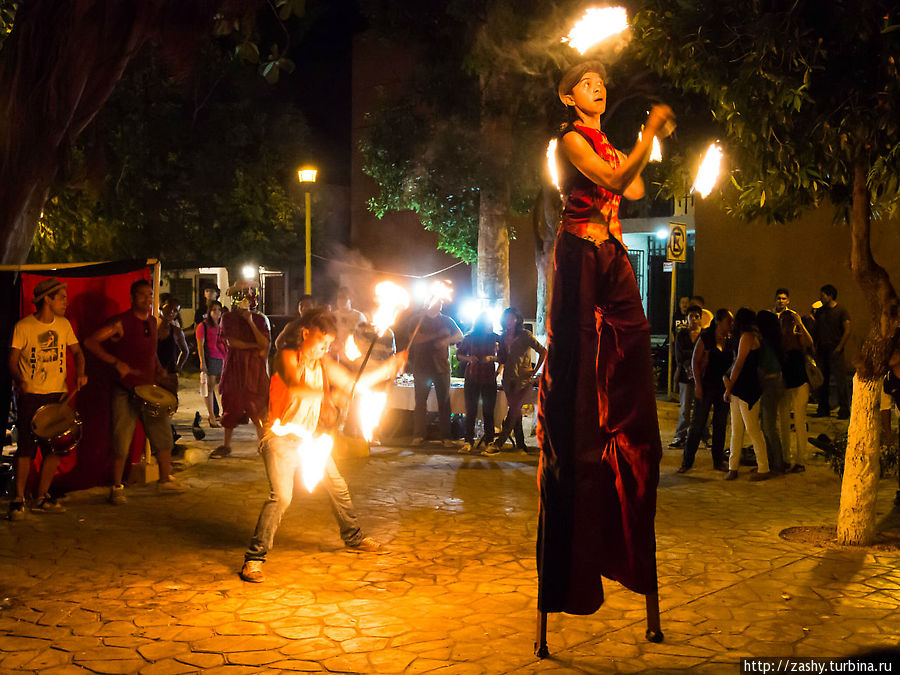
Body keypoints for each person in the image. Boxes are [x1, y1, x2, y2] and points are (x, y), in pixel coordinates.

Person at [536, 60, 675, 619]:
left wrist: (643, 145)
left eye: (601, 82)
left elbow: (634, 183)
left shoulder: (610, 144)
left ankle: (628, 432)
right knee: (574, 369)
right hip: (579, 255)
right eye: (587, 84)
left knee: (630, 353)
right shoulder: (569, 139)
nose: (599, 88)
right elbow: (617, 180)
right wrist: (646, 137)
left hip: (613, 255)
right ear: (569, 98)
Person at [239, 309, 407, 583]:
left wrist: (387, 367)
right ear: (305, 333)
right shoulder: (285, 357)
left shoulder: (324, 363)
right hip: (280, 439)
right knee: (281, 496)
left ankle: (354, 538)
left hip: (309, 439)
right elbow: (296, 386)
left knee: (337, 485)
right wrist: (332, 394)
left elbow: (354, 384)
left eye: (329, 344)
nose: (325, 348)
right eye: (321, 342)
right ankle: (254, 559)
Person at [84, 279, 182, 503]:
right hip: (125, 390)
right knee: (121, 438)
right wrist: (115, 362)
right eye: (142, 295)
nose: (147, 299)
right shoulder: (120, 322)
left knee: (163, 433)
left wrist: (160, 371)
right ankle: (117, 487)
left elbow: (151, 353)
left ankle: (165, 480)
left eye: (150, 295)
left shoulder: (152, 322)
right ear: (131, 297)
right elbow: (90, 342)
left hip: (148, 389)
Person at [7, 279, 87, 519]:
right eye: (61, 297)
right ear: (47, 300)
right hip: (31, 395)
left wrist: (81, 373)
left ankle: (42, 496)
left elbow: (77, 352)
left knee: (54, 448)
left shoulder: (63, 325)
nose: (66, 301)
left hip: (57, 395)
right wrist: (20, 379)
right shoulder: (24, 326)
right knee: (25, 450)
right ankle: (18, 499)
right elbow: (12, 359)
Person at [211, 281, 270, 458]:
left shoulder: (260, 319)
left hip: (254, 369)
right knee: (232, 404)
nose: (244, 298)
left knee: (258, 406)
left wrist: (250, 322)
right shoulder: (227, 318)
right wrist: (253, 346)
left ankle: (263, 444)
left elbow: (265, 344)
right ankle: (226, 445)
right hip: (235, 367)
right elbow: (231, 342)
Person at [678, 309, 733, 473]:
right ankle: (687, 462)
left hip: (723, 387)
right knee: (697, 424)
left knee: (720, 424)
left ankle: (718, 460)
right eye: (728, 321)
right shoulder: (706, 337)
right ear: (719, 321)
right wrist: (698, 385)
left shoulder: (730, 339)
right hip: (707, 384)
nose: (731, 324)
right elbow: (695, 361)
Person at [486, 307, 546, 455]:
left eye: (511, 318)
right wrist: (493, 359)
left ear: (517, 319)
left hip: (523, 379)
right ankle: (520, 445)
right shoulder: (502, 336)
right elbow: (503, 358)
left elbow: (543, 351)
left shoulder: (525, 335)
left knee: (513, 410)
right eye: (506, 318)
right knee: (516, 412)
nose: (508, 321)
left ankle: (498, 444)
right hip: (508, 379)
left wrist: (535, 370)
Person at [408, 299, 463, 447]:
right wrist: (437, 336)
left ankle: (446, 436)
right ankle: (419, 435)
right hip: (421, 368)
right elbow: (415, 339)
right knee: (420, 402)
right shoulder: (417, 320)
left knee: (444, 403)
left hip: (441, 368)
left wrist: (447, 340)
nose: (437, 305)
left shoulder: (447, 320)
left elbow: (460, 335)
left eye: (439, 303)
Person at [723, 308, 770, 481]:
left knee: (751, 428)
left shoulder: (747, 337)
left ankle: (763, 467)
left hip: (747, 387)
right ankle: (732, 466)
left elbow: (739, 363)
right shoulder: (746, 336)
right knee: (737, 428)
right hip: (740, 386)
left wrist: (728, 386)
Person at [779, 298, 815, 473]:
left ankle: (801, 460)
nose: (788, 324)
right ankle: (786, 457)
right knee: (784, 422)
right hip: (785, 385)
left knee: (800, 420)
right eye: (785, 321)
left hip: (800, 383)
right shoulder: (778, 339)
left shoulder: (798, 336)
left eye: (790, 321)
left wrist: (800, 323)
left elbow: (809, 343)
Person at [456, 314, 499, 454]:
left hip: (489, 378)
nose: (490, 326)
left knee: (488, 412)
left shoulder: (495, 337)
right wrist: (469, 358)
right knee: (471, 411)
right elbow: (459, 355)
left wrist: (492, 357)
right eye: (487, 324)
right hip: (472, 378)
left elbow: (504, 356)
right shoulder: (470, 338)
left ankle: (489, 442)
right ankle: (468, 441)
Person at [811, 284, 851, 419]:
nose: (820, 298)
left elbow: (847, 330)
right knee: (822, 381)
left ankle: (844, 410)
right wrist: (814, 346)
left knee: (840, 381)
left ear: (830, 295)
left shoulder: (841, 311)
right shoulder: (820, 312)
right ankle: (823, 409)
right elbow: (816, 330)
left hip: (835, 351)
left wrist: (839, 347)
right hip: (822, 351)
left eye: (822, 295)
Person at [756, 310, 785, 474]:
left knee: (768, 426)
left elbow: (764, 368)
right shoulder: (774, 341)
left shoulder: (765, 344)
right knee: (767, 425)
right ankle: (773, 461)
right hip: (774, 383)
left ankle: (777, 463)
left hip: (770, 385)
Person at [670, 304, 702, 449]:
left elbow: (707, 353)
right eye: (691, 316)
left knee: (701, 407)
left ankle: (705, 436)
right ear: (686, 318)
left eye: (697, 316)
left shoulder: (704, 335)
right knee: (685, 407)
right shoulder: (682, 335)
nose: (694, 319)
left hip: (702, 376)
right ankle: (680, 436)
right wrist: (694, 356)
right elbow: (680, 355)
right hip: (685, 376)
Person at [197, 300, 226, 428]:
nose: (217, 312)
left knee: (225, 388)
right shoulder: (202, 326)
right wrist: (202, 362)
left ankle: (223, 414)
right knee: (209, 388)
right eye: (214, 310)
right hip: (211, 359)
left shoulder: (222, 325)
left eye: (219, 310)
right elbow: (200, 346)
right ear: (209, 312)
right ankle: (212, 416)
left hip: (224, 358)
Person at [333, 287, 367, 360]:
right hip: (337, 355)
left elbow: (365, 336)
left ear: (350, 299)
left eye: (344, 297)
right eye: (339, 297)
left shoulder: (358, 316)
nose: (341, 300)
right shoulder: (333, 316)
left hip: (354, 356)